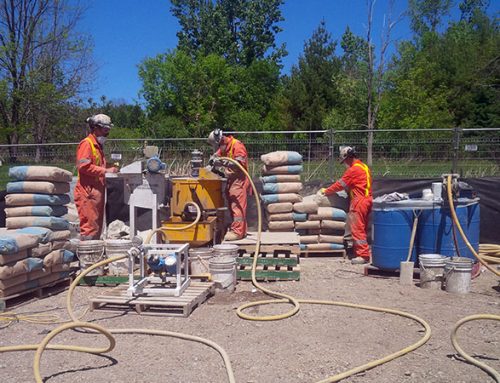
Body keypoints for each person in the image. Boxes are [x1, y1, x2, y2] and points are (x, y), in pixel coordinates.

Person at [320, 146, 372, 264]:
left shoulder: (353, 170)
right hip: (367, 199)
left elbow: (340, 184)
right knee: (362, 228)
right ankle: (360, 251)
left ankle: (363, 255)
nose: (345, 164)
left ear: (348, 157)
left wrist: (326, 191)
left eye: (345, 161)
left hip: (359, 201)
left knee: (357, 228)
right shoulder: (364, 166)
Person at [74, 114, 118, 240]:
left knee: (97, 226)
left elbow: (96, 165)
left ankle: (95, 254)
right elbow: (83, 166)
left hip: (95, 193)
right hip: (87, 193)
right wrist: (105, 170)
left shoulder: (97, 147)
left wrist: (111, 166)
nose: (107, 134)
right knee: (89, 227)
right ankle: (88, 255)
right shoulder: (87, 144)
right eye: (105, 130)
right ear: (96, 128)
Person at [208, 129, 251, 241]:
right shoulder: (224, 147)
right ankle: (240, 229)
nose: (218, 149)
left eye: (218, 146)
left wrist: (222, 162)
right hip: (232, 179)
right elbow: (216, 156)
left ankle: (238, 232)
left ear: (221, 140)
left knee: (237, 205)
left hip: (239, 179)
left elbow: (239, 164)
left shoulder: (237, 145)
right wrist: (212, 161)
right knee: (232, 202)